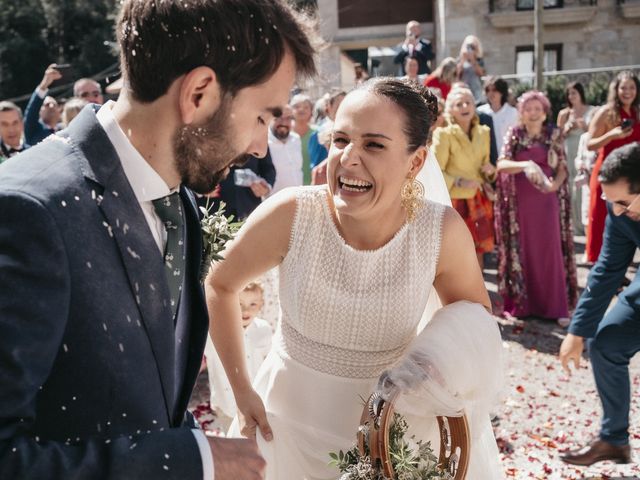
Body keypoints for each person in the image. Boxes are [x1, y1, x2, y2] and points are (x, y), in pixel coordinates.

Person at [0, 0, 316, 478]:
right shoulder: (30, 212)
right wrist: (192, 461)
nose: (259, 146)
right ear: (200, 93)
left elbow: (150, 398)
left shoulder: (180, 202)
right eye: (261, 117)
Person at [205, 77, 504, 479]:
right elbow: (220, 285)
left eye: (374, 145)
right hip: (283, 429)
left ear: (415, 162)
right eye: (341, 140)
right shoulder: (292, 214)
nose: (348, 158)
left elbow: (472, 318)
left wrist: (420, 372)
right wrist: (242, 392)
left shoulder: (439, 232)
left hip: (388, 441)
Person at [559, 142, 640, 467]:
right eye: (611, 201)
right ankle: (614, 440)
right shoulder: (618, 209)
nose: (617, 211)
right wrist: (577, 331)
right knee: (606, 342)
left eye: (623, 202)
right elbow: (608, 268)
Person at [495, 90, 578, 325]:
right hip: (520, 202)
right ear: (521, 112)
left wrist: (554, 187)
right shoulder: (515, 133)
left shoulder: (553, 134)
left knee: (550, 250)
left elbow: (562, 167)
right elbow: (502, 164)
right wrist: (525, 164)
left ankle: (556, 307)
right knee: (524, 249)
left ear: (544, 112)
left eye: (537, 109)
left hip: (547, 199)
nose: (533, 113)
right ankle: (524, 306)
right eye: (528, 109)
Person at [432, 87, 495, 268]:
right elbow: (436, 172)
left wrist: (491, 171)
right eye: (459, 104)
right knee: (455, 252)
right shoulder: (443, 134)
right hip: (455, 201)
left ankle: (477, 293)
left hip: (478, 199)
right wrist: (459, 181)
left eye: (468, 102)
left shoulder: (484, 132)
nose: (464, 106)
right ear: (450, 109)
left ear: (475, 106)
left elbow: (484, 170)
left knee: (479, 250)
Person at [586, 71, 640, 262]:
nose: (627, 91)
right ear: (616, 89)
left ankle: (621, 266)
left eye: (632, 87)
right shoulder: (606, 112)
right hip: (607, 175)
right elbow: (590, 143)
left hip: (633, 180)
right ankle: (599, 264)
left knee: (630, 222)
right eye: (623, 87)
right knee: (601, 220)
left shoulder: (638, 112)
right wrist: (613, 135)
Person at [205, 281, 272, 433]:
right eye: (239, 303)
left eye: (252, 304)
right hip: (224, 400)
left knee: (253, 437)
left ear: (261, 305)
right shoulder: (214, 332)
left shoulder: (264, 330)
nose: (245, 310)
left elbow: (268, 361)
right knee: (231, 435)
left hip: (254, 400)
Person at [557, 82, 595, 236]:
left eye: (574, 93)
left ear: (581, 94)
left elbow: (595, 133)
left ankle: (585, 224)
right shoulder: (564, 113)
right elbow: (556, 137)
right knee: (570, 189)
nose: (571, 96)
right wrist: (566, 129)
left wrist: (584, 126)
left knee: (583, 189)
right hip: (568, 153)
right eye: (569, 93)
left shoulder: (592, 111)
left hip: (584, 154)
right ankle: (572, 225)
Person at [210, 152, 275, 221]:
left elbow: (268, 169)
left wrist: (266, 187)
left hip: (250, 204)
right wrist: (201, 188)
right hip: (216, 207)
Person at [477, 76, 519, 158]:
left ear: (502, 92)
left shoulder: (513, 113)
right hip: (485, 159)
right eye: (488, 90)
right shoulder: (480, 112)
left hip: (507, 158)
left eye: (494, 90)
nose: (490, 94)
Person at [23, 64, 63, 145]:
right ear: (39, 111)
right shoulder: (34, 130)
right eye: (47, 105)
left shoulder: (65, 130)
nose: (51, 106)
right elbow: (32, 110)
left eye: (54, 104)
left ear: (59, 111)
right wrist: (44, 85)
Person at [267, 105, 303, 195]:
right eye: (279, 118)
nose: (284, 123)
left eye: (288, 118)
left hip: (298, 199)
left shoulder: (296, 139)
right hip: (273, 203)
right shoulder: (263, 143)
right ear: (270, 119)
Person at [290, 93, 316, 185]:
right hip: (288, 186)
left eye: (306, 107)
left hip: (312, 185)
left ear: (311, 111)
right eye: (297, 106)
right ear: (291, 110)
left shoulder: (317, 134)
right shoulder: (283, 133)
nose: (301, 109)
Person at [456, 35, 486, 102]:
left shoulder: (479, 60)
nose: (470, 49)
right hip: (464, 89)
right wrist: (463, 60)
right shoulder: (460, 59)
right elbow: (457, 75)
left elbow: (481, 74)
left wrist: (473, 60)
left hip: (476, 89)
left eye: (473, 47)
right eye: (468, 46)